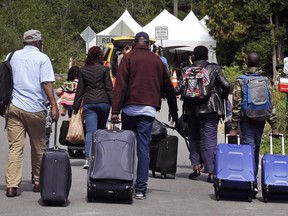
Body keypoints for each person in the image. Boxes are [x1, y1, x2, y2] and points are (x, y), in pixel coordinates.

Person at [111, 31, 178, 200]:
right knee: (143, 149)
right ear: (148, 44)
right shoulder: (157, 61)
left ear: (135, 43)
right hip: (148, 110)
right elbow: (169, 88)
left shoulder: (128, 58)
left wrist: (115, 111)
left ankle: (126, 183)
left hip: (129, 110)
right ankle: (140, 189)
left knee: (128, 148)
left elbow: (120, 85)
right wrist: (174, 111)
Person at [5, 29, 59, 197]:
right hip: (35, 109)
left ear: (24, 42)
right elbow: (46, 84)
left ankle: (12, 186)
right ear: (39, 42)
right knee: (38, 147)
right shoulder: (42, 58)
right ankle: (38, 182)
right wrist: (54, 104)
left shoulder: (11, 56)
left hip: (13, 107)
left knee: (15, 147)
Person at [175, 45, 230, 183]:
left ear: (194, 56)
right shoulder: (214, 68)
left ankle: (195, 167)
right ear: (206, 56)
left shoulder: (186, 69)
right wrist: (223, 97)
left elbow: (179, 89)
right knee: (210, 139)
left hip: (191, 109)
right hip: (211, 108)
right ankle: (211, 172)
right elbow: (226, 85)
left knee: (193, 137)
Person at [229, 52, 279, 177]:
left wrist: (234, 127)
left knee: (248, 147)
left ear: (247, 63)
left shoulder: (240, 80)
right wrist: (274, 126)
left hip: (246, 118)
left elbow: (236, 105)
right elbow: (271, 103)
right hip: (261, 117)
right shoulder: (266, 80)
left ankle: (250, 179)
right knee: (256, 147)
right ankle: (253, 178)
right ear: (259, 63)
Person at [73, 46, 113, 169]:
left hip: (89, 103)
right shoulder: (104, 70)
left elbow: (80, 89)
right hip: (104, 103)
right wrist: (115, 107)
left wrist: (75, 106)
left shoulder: (83, 70)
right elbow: (109, 88)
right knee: (101, 131)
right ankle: (99, 158)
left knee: (90, 131)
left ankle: (88, 158)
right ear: (100, 57)